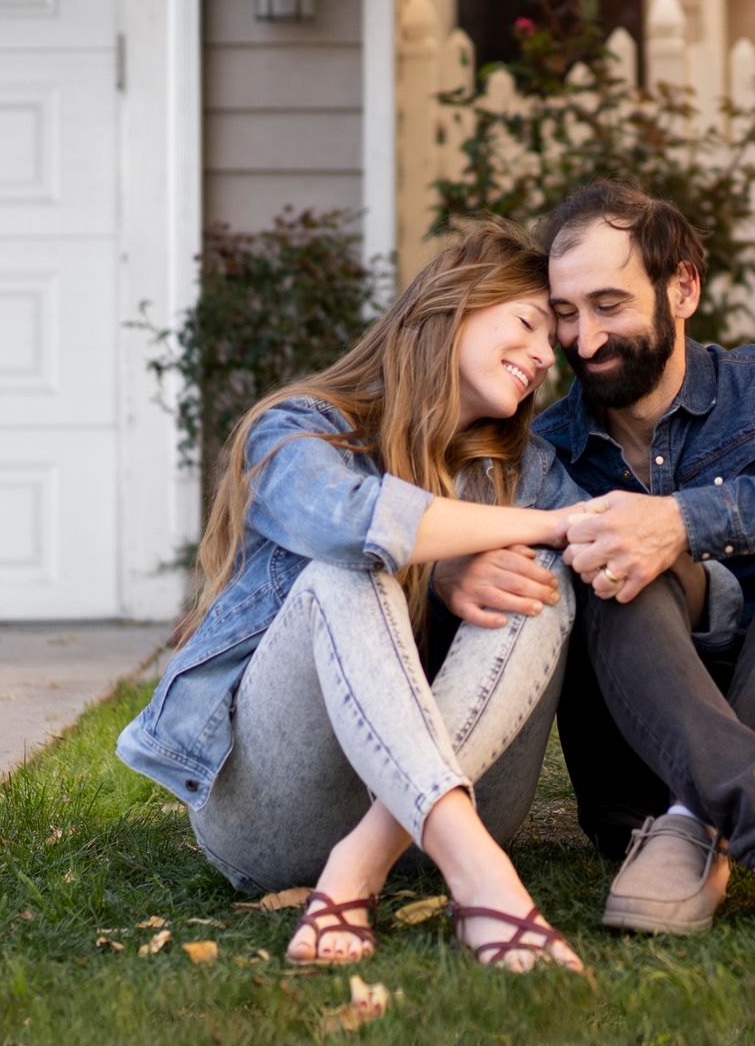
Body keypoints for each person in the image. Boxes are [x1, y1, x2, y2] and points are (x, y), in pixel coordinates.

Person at [434, 180, 755, 953]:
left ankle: (702, 821)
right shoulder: (548, 449)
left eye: (609, 305)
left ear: (682, 287)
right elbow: (435, 519)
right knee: (602, 549)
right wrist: (446, 571)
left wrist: (686, 520)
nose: (584, 341)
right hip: (635, 790)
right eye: (565, 313)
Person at [117, 221, 595, 973]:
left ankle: (366, 864)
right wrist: (488, 549)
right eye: (529, 323)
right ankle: (485, 881)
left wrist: (534, 542)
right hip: (276, 811)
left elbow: (605, 563)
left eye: (552, 348)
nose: (543, 356)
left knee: (545, 571)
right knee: (346, 565)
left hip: (460, 801)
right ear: (453, 304)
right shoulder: (300, 430)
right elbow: (351, 524)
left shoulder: (527, 472)